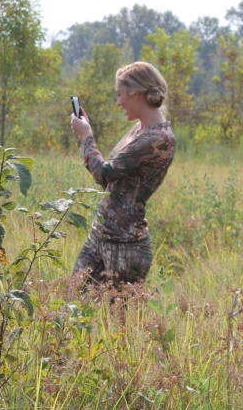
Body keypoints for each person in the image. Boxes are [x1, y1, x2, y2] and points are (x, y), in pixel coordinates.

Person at [69, 61, 175, 286]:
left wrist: (86, 137)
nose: (118, 102)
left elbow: (104, 174)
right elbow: (114, 183)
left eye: (120, 94)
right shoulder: (140, 130)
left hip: (125, 246)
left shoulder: (158, 139)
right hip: (101, 235)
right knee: (73, 300)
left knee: (119, 309)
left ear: (136, 94)